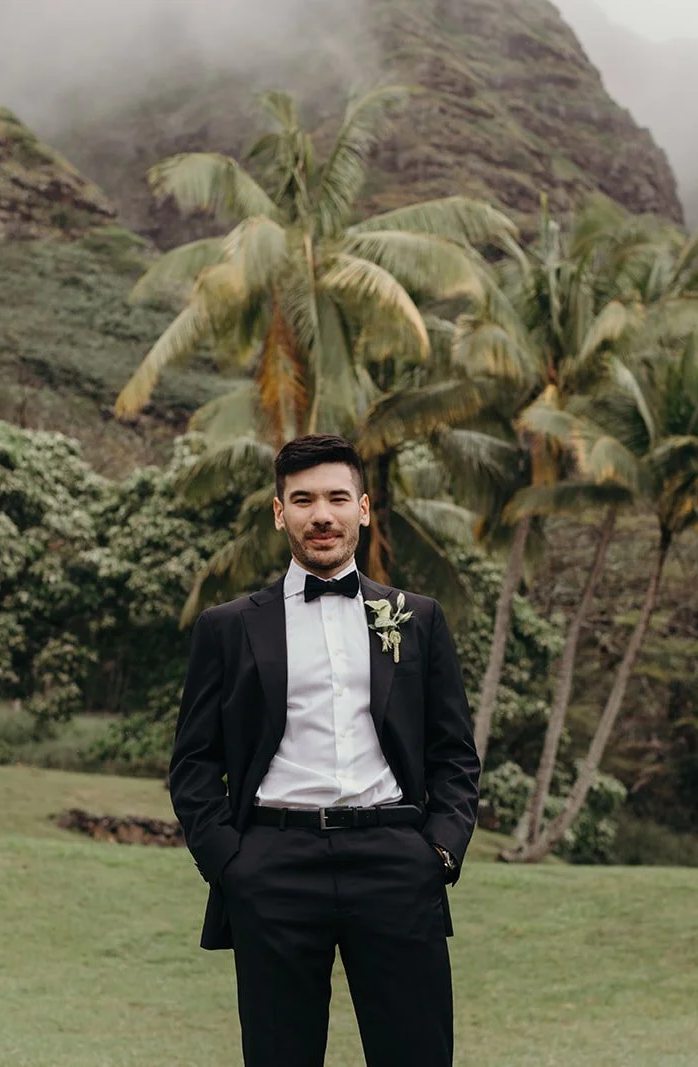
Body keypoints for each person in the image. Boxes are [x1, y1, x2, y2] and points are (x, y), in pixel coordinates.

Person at [169, 433, 482, 1067]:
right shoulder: (227, 628)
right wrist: (231, 863)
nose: (322, 515)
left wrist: (439, 852)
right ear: (279, 512)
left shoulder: (418, 619)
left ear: (363, 509)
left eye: (338, 498)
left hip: (396, 861)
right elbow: (194, 763)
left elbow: (454, 753)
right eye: (303, 499)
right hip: (272, 865)